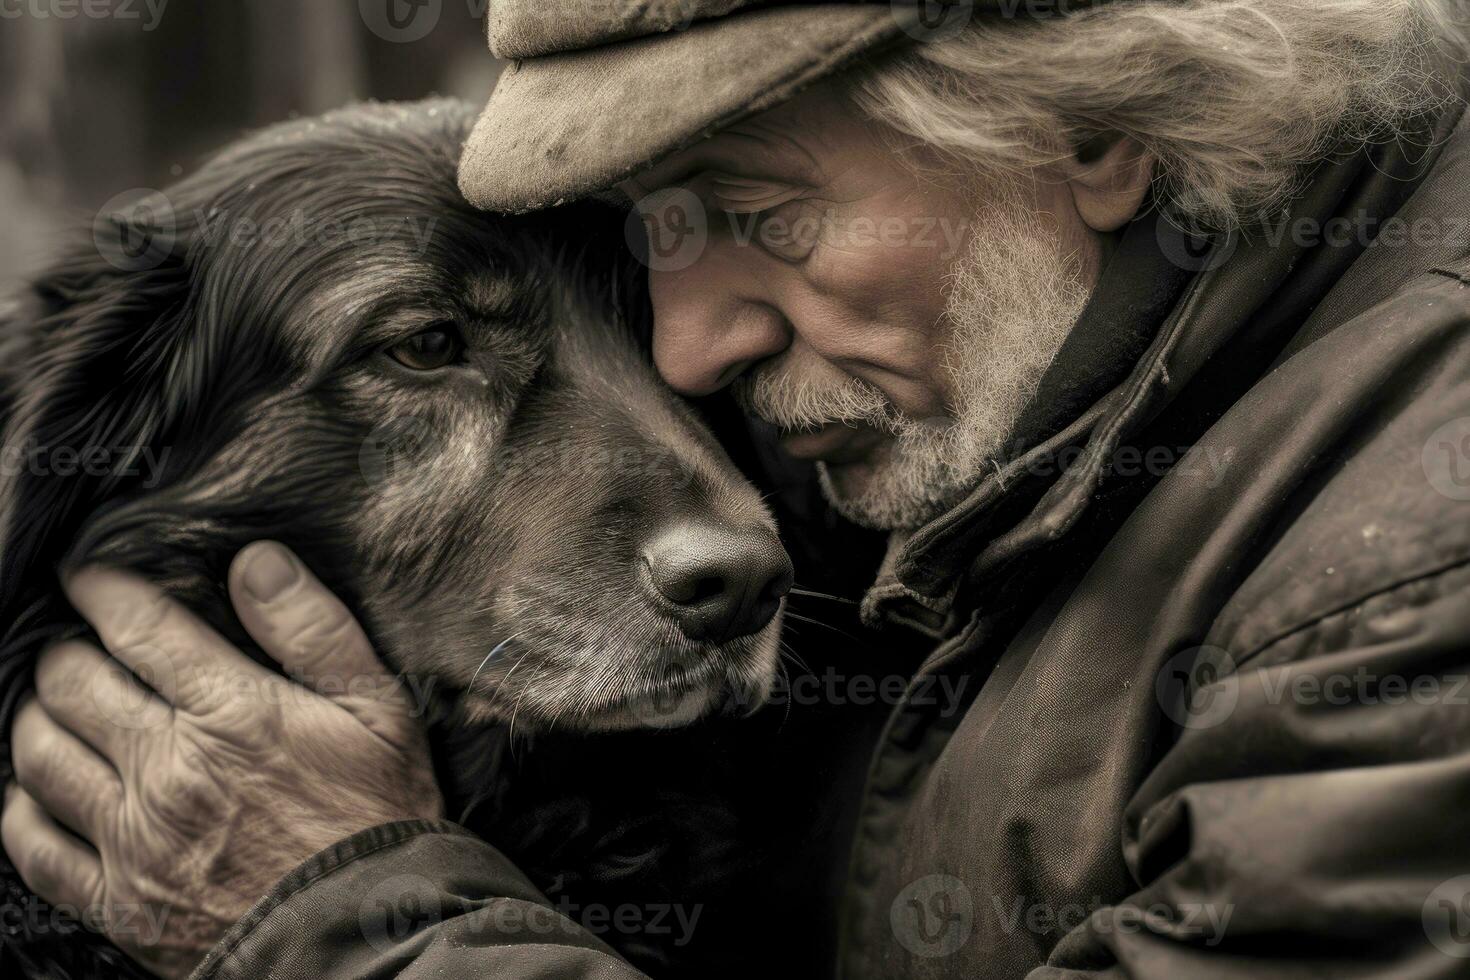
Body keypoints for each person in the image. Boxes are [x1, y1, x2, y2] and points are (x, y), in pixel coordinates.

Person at [8, 0, 1470, 976]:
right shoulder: (972, 398)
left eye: (762, 215)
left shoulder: (1407, 573)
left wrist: (341, 920)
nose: (692, 354)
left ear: (1080, 132)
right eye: (656, 250)